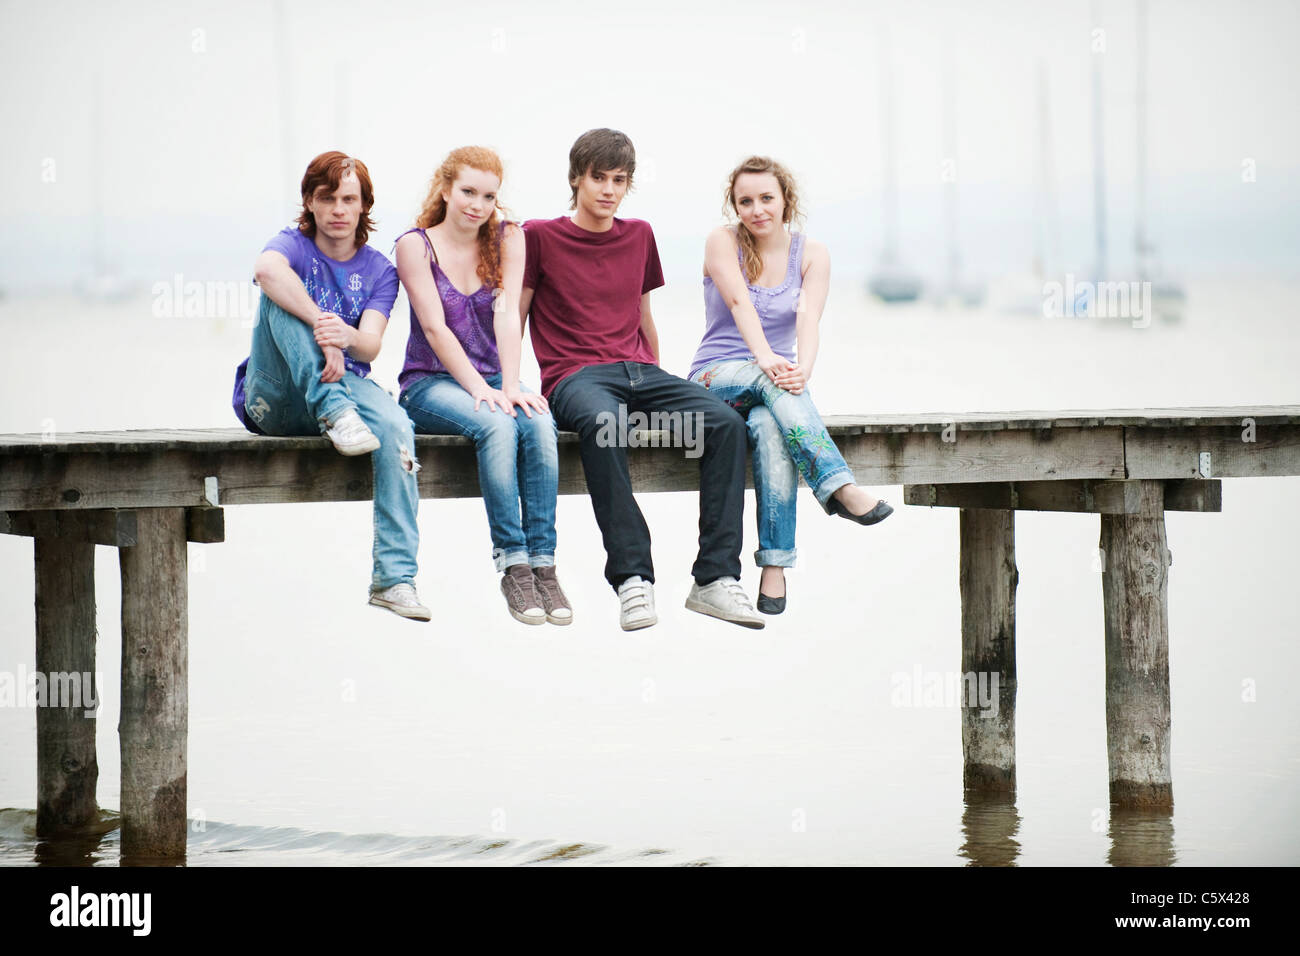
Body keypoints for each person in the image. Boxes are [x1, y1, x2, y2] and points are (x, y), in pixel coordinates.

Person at [522, 128, 764, 631]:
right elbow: (513, 316)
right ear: (576, 179)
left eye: (620, 180)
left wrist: (656, 380)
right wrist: (507, 383)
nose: (609, 189)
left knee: (724, 424)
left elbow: (642, 312)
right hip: (575, 377)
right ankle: (634, 578)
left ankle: (715, 578)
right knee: (604, 423)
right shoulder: (539, 236)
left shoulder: (639, 235)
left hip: (641, 372)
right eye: (599, 178)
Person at [687, 156, 893, 615]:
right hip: (713, 376)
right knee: (773, 386)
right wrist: (768, 361)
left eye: (766, 198)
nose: (757, 209)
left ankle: (774, 566)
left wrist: (805, 370)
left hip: (775, 383)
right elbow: (739, 302)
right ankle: (839, 487)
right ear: (734, 206)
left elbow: (809, 318)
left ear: (785, 200)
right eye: (745, 201)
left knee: (769, 426)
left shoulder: (813, 253)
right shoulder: (723, 241)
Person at [231, 150, 429, 622]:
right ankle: (334, 411)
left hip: (342, 390)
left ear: (364, 206)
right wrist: (324, 323)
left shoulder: (381, 270)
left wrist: (346, 337)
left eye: (349, 199)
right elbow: (265, 270)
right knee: (278, 292)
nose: (339, 209)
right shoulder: (294, 246)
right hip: (274, 400)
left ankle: (394, 580)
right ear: (310, 202)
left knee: (398, 427)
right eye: (328, 198)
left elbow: (372, 346)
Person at [395, 147, 570, 626]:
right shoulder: (415, 245)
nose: (477, 204)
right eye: (468, 191)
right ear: (446, 188)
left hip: (494, 379)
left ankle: (544, 563)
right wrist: (482, 391)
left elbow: (508, 313)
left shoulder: (508, 237)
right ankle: (512, 563)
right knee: (497, 423)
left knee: (536, 420)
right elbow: (435, 329)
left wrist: (510, 385)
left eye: (488, 195)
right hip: (429, 384)